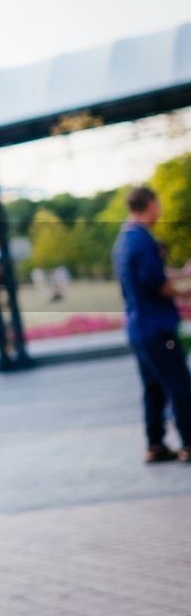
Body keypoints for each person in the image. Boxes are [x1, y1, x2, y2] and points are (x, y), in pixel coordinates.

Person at [112, 185, 191, 464]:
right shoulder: (143, 240)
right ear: (151, 204)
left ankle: (155, 443)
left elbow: (146, 275)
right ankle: (188, 442)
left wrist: (180, 274)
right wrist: (184, 293)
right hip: (156, 326)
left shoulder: (125, 238)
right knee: (180, 383)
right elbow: (155, 283)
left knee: (154, 386)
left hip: (138, 327)